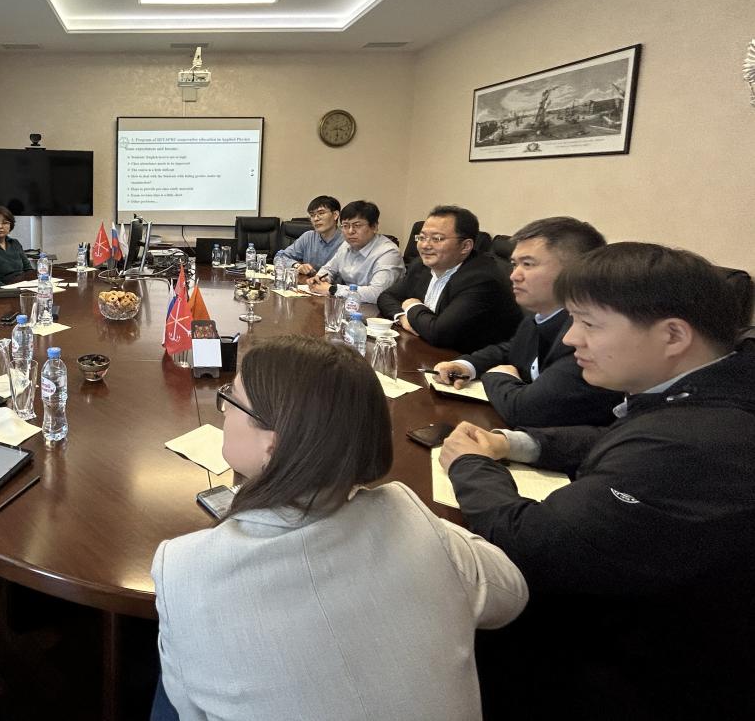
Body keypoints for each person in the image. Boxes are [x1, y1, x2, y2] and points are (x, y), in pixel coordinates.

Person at [439, 243, 755, 718]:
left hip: (637, 672)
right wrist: (517, 442)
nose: (571, 340)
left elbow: (529, 543)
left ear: (673, 335)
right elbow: (618, 437)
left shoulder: (690, 445)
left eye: (589, 324)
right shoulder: (707, 393)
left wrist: (468, 463)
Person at [151, 336, 527, 721]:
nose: (224, 411)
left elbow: (187, 710)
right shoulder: (409, 514)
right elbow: (510, 593)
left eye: (231, 399)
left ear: (274, 444)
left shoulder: (183, 569)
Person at [432, 216, 621, 427]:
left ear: (574, 272)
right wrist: (467, 365)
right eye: (514, 264)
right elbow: (512, 349)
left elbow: (526, 410)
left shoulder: (585, 337)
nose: (514, 275)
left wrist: (498, 376)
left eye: (528, 264)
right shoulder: (539, 315)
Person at [377, 204, 519, 353]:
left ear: (465, 246)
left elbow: (439, 333)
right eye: (422, 237)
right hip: (426, 349)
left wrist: (412, 306)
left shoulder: (481, 279)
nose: (425, 245)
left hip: (470, 360)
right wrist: (403, 318)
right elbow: (386, 297)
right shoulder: (421, 266)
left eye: (437, 239)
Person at [307, 200, 405, 302]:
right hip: (350, 304)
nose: (350, 231)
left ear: (374, 227)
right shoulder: (346, 245)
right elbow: (330, 269)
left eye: (357, 225)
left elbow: (377, 293)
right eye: (345, 226)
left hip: (376, 308)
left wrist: (333, 289)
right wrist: (320, 278)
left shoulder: (389, 253)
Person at [273, 195, 343, 274]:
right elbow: (280, 257)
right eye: (312, 215)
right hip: (308, 282)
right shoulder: (308, 237)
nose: (316, 219)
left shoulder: (347, 241)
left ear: (335, 215)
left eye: (321, 213)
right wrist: (297, 266)